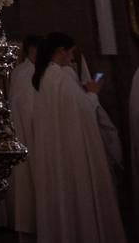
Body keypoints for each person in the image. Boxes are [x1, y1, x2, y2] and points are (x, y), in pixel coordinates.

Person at [29, 31, 125, 242]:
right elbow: (84, 114)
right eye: (71, 52)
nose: (72, 57)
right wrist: (92, 93)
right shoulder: (61, 77)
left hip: (59, 155)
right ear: (61, 51)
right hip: (74, 155)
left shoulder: (47, 77)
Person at [0, 34, 39, 235]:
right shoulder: (26, 74)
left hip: (24, 133)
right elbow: (29, 109)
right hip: (27, 134)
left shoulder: (23, 72)